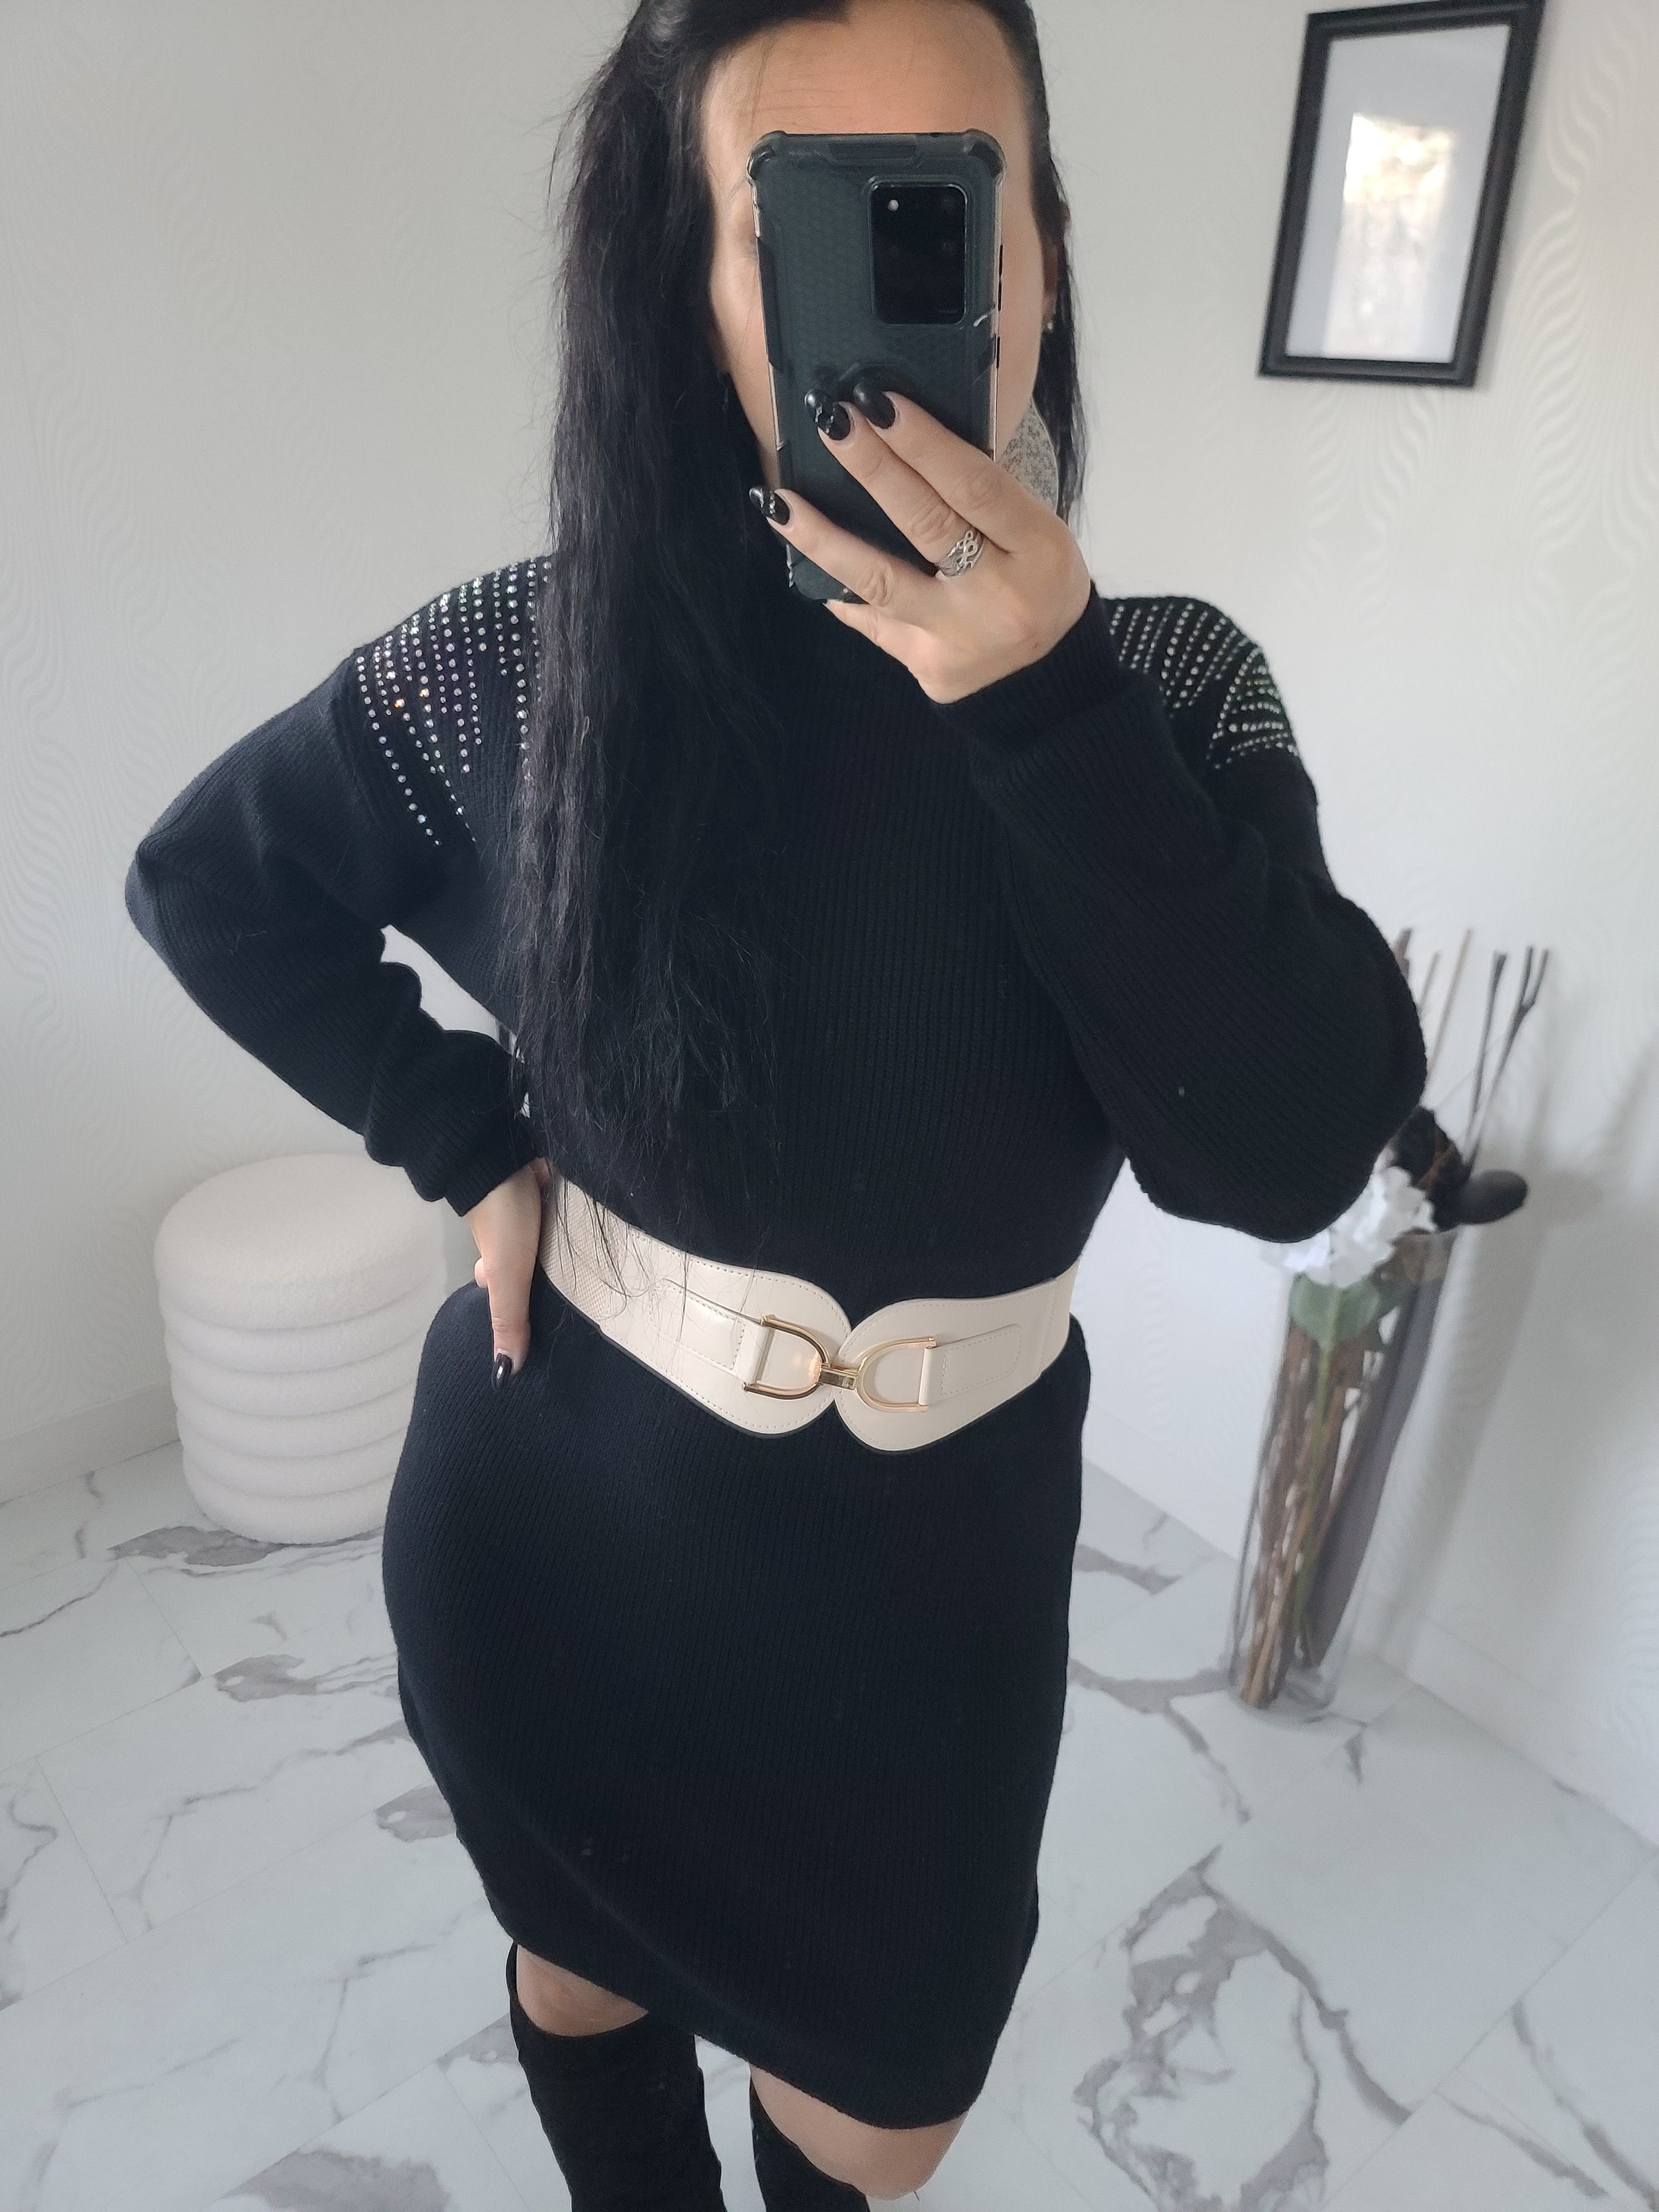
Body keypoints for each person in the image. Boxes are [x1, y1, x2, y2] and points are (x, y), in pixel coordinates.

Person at [124, 1, 1429, 2206]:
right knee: (582, 2004)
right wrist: (468, 1140)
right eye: (804, 223)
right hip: (551, 1553)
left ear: (1044, 253)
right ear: (701, 283)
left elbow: (1290, 1148)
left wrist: (1047, 710)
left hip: (927, 1643)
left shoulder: (1169, 694)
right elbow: (212, 884)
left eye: (952, 208)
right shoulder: (542, 657)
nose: (897, 287)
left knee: (878, 2128)